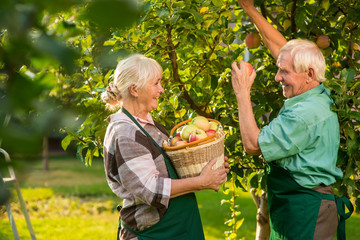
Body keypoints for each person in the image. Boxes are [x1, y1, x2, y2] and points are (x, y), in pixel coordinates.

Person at [231, 0, 353, 239]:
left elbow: (253, 145)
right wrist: (249, 9)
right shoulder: (315, 90)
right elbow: (284, 50)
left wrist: (242, 93)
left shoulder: (303, 115)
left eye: (284, 72)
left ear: (307, 73)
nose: (278, 78)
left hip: (306, 214)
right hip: (299, 208)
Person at [102, 54, 229, 240]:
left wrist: (209, 167)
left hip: (179, 226)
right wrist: (201, 182)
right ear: (134, 90)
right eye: (156, 83)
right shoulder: (125, 133)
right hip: (154, 233)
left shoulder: (146, 124)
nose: (161, 90)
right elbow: (151, 189)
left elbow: (170, 171)